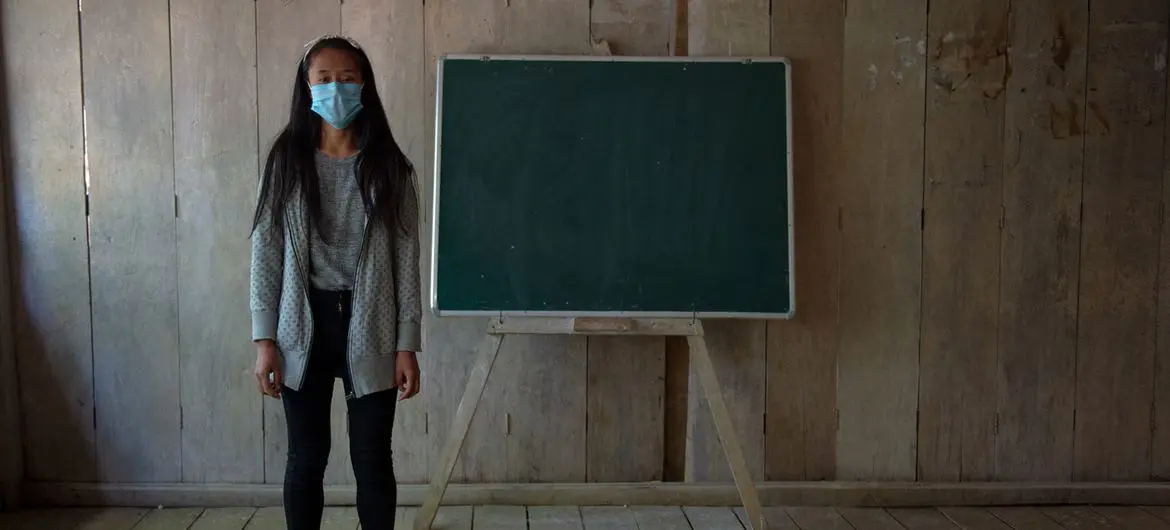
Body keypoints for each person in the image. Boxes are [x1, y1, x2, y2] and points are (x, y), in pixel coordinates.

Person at [249, 34, 421, 530]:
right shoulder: (286, 160)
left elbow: (406, 260)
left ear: (364, 86)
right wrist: (265, 341)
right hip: (302, 326)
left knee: (372, 458)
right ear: (307, 88)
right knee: (306, 457)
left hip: (372, 325)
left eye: (347, 79)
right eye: (324, 79)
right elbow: (266, 251)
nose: (336, 89)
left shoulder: (390, 166)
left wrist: (407, 345)